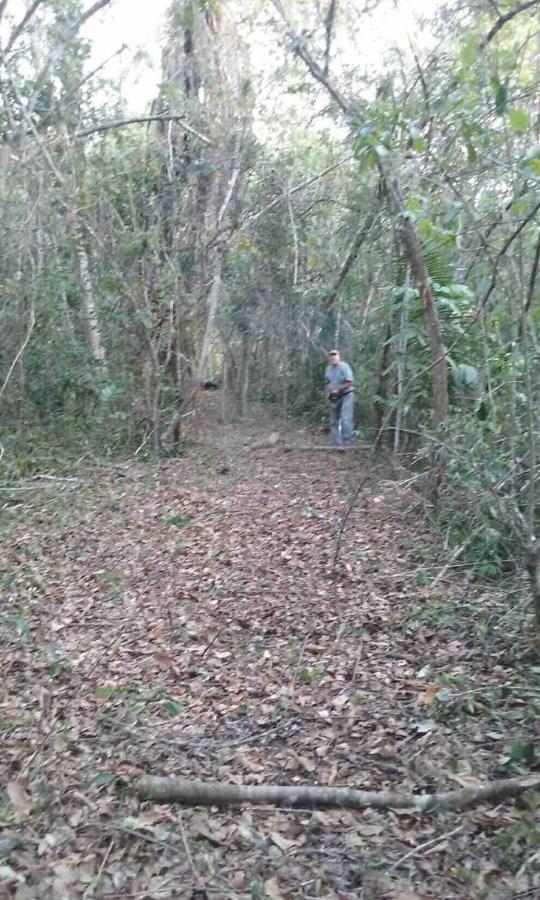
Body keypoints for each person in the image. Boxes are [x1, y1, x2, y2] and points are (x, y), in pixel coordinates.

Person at [325, 350, 354, 447]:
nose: (333, 357)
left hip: (346, 395)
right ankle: (336, 442)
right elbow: (327, 382)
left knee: (346, 418)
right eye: (331, 356)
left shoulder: (344, 366)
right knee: (334, 420)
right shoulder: (328, 369)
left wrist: (338, 389)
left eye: (334, 355)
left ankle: (347, 441)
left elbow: (350, 382)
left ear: (339, 356)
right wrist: (329, 391)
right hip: (334, 397)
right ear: (329, 358)